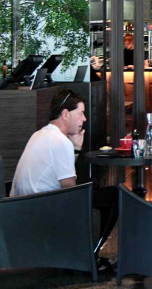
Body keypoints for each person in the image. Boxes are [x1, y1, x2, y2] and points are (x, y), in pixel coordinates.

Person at [10, 90, 118, 265]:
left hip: (25, 204)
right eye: (81, 113)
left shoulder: (41, 134)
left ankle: (86, 249)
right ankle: (90, 256)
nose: (84, 119)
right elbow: (69, 188)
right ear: (66, 113)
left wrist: (76, 148)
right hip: (42, 208)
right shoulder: (60, 141)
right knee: (115, 195)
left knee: (93, 184)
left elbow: (61, 172)